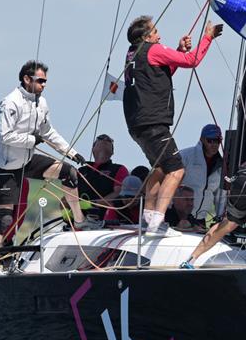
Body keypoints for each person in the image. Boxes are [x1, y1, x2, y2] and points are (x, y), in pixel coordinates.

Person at [0, 60, 99, 274]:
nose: (44, 85)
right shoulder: (10, 103)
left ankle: (79, 221)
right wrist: (32, 139)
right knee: (5, 218)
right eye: (40, 81)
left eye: (45, 81)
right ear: (26, 79)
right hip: (6, 164)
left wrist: (71, 152)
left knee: (69, 172)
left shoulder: (41, 103)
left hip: (27, 159)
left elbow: (48, 132)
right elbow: (5, 136)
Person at [122, 15, 223, 236]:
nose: (159, 34)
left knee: (159, 169)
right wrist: (207, 38)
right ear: (147, 36)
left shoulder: (133, 54)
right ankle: (156, 223)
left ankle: (147, 218)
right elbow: (192, 61)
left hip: (137, 125)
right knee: (176, 169)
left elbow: (157, 75)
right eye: (155, 31)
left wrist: (178, 49)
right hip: (154, 123)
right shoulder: (153, 49)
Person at [179, 124, 224, 229]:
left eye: (217, 140)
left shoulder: (221, 165)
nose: (214, 144)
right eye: (210, 140)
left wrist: (221, 219)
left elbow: (220, 196)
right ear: (202, 139)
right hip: (179, 216)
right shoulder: (185, 155)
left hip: (200, 220)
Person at [77, 134, 128, 219]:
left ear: (112, 152)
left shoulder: (119, 169)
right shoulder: (82, 170)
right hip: (80, 219)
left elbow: (118, 193)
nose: (105, 139)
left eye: (108, 141)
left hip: (107, 220)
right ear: (93, 149)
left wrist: (92, 204)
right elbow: (70, 192)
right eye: (100, 139)